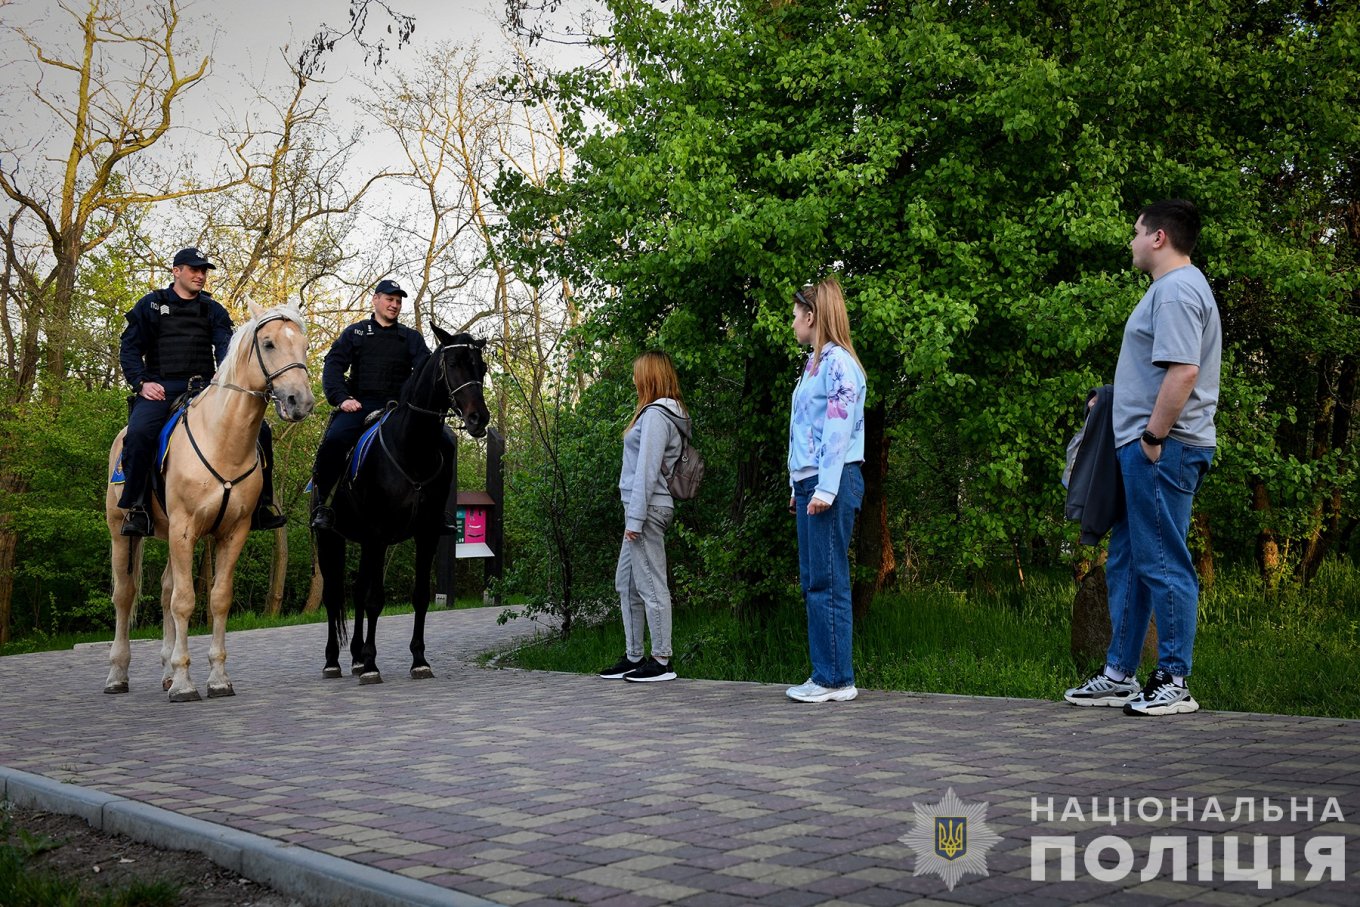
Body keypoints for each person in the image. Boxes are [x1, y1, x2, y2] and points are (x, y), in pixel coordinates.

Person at [1064, 199, 1221, 717]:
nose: (1130, 241)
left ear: (1158, 238)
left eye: (1136, 232)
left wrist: (1152, 438)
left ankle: (1175, 680)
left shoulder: (1176, 291)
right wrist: (1111, 397)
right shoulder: (1170, 291)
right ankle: (1119, 675)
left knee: (1162, 561)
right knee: (1129, 562)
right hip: (1150, 446)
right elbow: (1158, 372)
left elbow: (1182, 374)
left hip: (1164, 450)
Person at [117, 247, 286, 537]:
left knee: (263, 431)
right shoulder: (152, 305)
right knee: (140, 433)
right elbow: (130, 349)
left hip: (207, 388)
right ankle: (138, 507)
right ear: (176, 271)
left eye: (204, 270)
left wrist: (224, 370)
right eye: (194, 269)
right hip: (161, 388)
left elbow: (226, 347)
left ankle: (261, 506)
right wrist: (142, 383)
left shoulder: (213, 309)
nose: (200, 275)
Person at [785, 277, 867, 703]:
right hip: (813, 482)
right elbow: (805, 430)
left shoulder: (838, 364)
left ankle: (835, 678)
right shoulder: (815, 365)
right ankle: (827, 674)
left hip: (830, 482)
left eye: (795, 314)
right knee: (815, 580)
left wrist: (825, 488)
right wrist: (798, 483)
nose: (793, 322)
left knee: (828, 581)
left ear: (812, 316)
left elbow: (837, 432)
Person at [309, 279, 433, 531]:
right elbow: (333, 365)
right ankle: (324, 504)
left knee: (443, 440)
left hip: (400, 411)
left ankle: (438, 510)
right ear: (375, 299)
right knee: (334, 440)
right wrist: (342, 398)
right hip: (361, 406)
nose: (395, 305)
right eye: (390, 299)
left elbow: (425, 372)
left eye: (398, 301)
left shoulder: (411, 338)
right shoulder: (355, 333)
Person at [598, 351, 691, 683]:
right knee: (627, 582)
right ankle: (634, 655)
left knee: (651, 583)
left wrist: (635, 520)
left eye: (638, 374)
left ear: (650, 376)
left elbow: (647, 471)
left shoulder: (656, 415)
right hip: (641, 509)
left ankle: (662, 659)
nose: (634, 379)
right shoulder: (661, 413)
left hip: (647, 509)